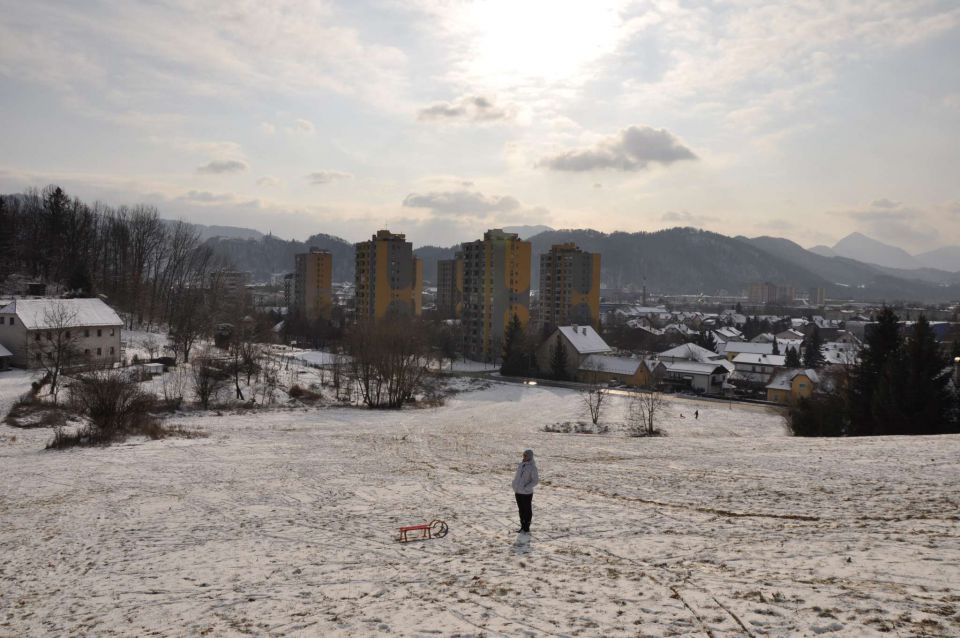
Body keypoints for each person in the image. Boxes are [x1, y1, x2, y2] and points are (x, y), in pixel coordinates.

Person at [512, 449, 539, 534]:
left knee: (527, 510)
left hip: (526, 493)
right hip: (518, 491)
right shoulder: (521, 465)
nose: (524, 457)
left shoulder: (532, 467)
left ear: (530, 456)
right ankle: (522, 526)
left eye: (525, 455)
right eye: (523, 455)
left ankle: (526, 528)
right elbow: (517, 476)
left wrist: (526, 487)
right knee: (521, 510)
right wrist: (514, 484)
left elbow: (535, 481)